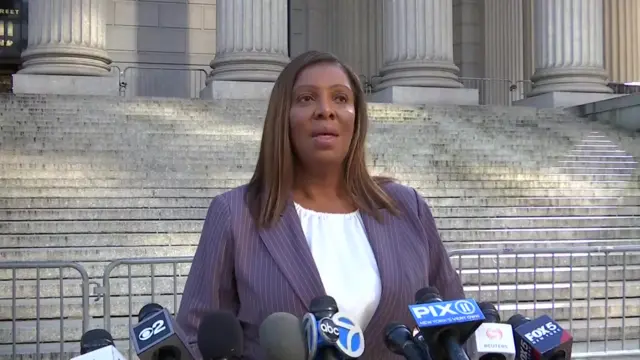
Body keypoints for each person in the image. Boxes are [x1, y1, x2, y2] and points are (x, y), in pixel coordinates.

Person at [176, 50, 465, 359]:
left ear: (357, 115)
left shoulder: (407, 208)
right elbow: (196, 337)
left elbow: (455, 328)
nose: (325, 110)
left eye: (340, 98)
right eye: (306, 99)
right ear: (282, 116)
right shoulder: (236, 214)